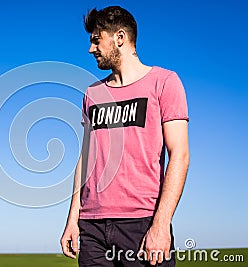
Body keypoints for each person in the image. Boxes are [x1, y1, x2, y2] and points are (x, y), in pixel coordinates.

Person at [60, 6, 190, 267]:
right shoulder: (92, 93)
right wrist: (72, 219)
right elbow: (85, 159)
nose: (90, 49)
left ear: (119, 38)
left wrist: (161, 224)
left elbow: (180, 155)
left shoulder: (164, 82)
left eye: (96, 40)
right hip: (92, 227)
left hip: (142, 223)